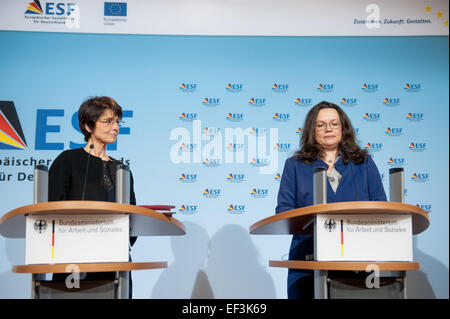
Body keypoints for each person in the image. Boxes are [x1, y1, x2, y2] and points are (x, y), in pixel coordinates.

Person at [275, 101, 386, 299]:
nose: (328, 129)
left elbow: (381, 206)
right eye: (321, 124)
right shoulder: (294, 165)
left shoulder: (363, 163)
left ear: (343, 128)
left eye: (334, 123)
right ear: (312, 130)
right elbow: (283, 211)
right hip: (308, 258)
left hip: (358, 258)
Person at [48, 96, 137, 297]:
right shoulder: (67, 160)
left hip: (116, 258)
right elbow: (53, 206)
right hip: (74, 258)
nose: (115, 128)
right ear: (89, 126)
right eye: (108, 122)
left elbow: (132, 214)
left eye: (117, 122)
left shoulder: (122, 169)